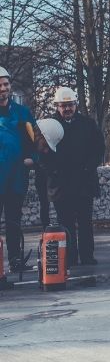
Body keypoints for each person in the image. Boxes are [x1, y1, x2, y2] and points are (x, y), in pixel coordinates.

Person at [41, 87, 105, 266]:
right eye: (63, 106)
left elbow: (99, 148)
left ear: (76, 104)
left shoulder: (88, 124)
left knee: (85, 223)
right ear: (57, 106)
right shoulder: (48, 126)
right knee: (65, 223)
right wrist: (53, 171)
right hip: (61, 184)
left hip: (84, 182)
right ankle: (69, 257)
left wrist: (88, 169)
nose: (67, 109)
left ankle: (87, 256)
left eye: (70, 105)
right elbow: (41, 154)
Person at [0, 67, 37, 272]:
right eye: (0, 85)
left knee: (14, 221)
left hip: (15, 178)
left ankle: (15, 260)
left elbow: (35, 140)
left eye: (6, 84)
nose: (3, 88)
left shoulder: (23, 113)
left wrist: (32, 158)